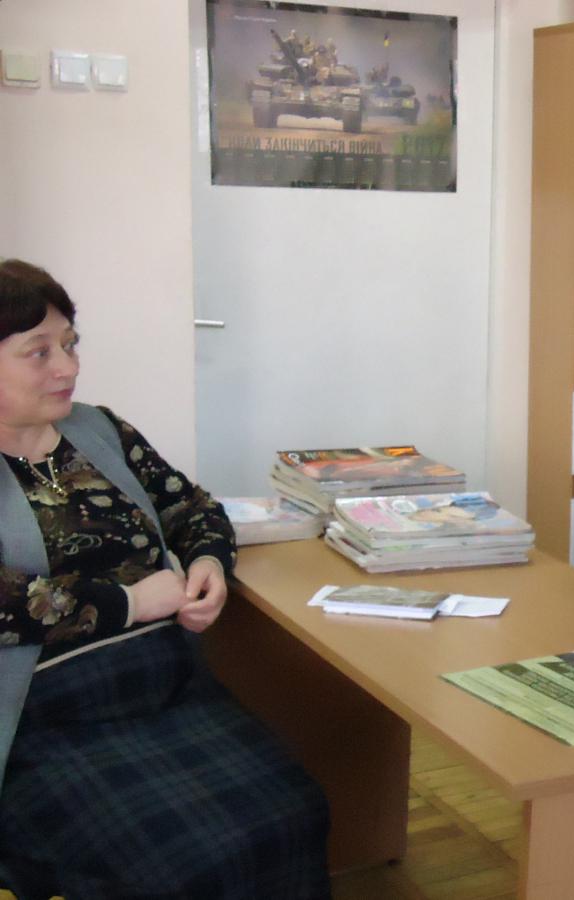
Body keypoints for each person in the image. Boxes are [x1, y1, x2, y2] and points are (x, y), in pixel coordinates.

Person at [0, 260, 331, 899]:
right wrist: (126, 604)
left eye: (70, 344)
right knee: (177, 863)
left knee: (296, 811)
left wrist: (208, 562)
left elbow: (191, 507)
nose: (67, 367)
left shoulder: (99, 430)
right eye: (38, 352)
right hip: (41, 715)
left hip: (166, 683)